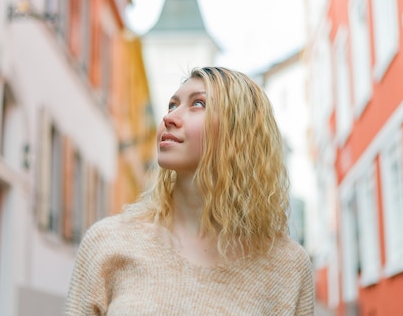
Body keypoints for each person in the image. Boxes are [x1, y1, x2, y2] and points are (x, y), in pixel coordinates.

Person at [63, 66, 314, 315]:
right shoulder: (109, 242)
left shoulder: (286, 266)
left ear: (240, 133)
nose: (169, 118)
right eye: (172, 105)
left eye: (198, 104)